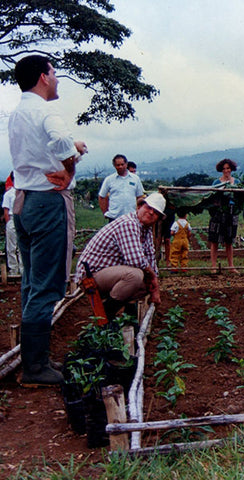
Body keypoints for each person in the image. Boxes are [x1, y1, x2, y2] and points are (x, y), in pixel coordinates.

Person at [9, 54, 87, 386]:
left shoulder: (17, 113)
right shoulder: (46, 110)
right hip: (46, 203)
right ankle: (36, 368)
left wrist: (74, 148)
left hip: (23, 202)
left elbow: (45, 149)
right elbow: (57, 140)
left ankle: (34, 359)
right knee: (45, 285)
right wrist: (70, 168)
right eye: (54, 73)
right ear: (43, 77)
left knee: (31, 282)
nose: (56, 79)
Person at [75, 192, 165, 320]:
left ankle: (125, 316)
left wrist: (155, 287)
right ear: (139, 207)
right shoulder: (129, 223)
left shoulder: (146, 230)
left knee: (147, 285)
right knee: (135, 276)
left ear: (158, 218)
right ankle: (105, 315)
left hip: (109, 274)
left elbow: (150, 258)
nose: (151, 213)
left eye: (155, 212)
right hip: (91, 275)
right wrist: (153, 278)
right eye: (148, 207)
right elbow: (136, 260)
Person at [208, 158, 241, 273]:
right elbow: (211, 198)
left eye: (228, 168)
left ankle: (231, 266)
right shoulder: (217, 183)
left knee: (229, 241)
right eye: (224, 169)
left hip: (231, 213)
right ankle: (213, 266)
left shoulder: (236, 182)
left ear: (231, 169)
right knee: (215, 240)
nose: (226, 171)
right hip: (218, 212)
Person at [98, 154, 144, 221]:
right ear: (114, 166)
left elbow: (140, 197)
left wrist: (139, 211)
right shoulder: (109, 179)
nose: (120, 167)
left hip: (131, 217)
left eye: (122, 164)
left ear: (126, 164)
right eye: (118, 165)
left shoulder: (135, 179)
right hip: (114, 217)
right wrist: (105, 213)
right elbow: (101, 196)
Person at [2, 172, 23, 275]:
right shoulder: (9, 194)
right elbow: (6, 210)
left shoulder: (23, 193)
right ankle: (13, 270)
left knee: (22, 246)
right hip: (12, 218)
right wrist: (9, 223)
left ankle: (23, 270)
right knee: (11, 247)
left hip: (22, 219)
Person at [169, 208, 192, 272]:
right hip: (185, 240)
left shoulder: (176, 223)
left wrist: (175, 235)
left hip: (177, 240)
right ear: (186, 215)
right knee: (184, 253)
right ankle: (184, 267)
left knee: (174, 253)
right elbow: (189, 232)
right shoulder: (187, 223)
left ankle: (174, 267)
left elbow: (172, 232)